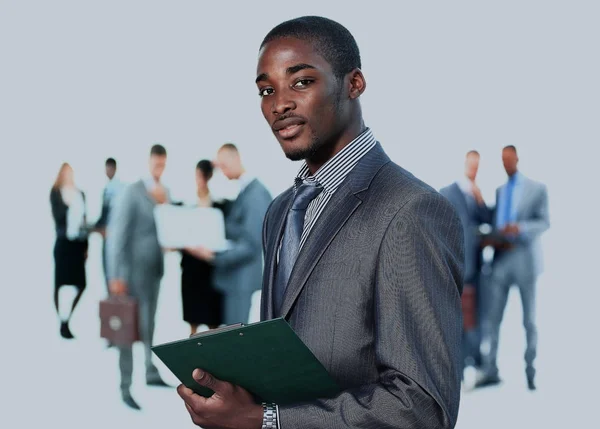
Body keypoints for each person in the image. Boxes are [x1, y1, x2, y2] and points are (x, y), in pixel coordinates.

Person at [177, 16, 464, 429]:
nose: (279, 104)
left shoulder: (410, 210)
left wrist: (266, 420)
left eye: (301, 82)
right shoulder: (280, 211)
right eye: (266, 90)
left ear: (354, 83)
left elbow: (421, 408)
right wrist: (235, 362)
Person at [476, 145, 549, 391]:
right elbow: (497, 221)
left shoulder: (536, 189)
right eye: (502, 161)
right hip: (501, 261)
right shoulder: (499, 191)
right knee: (492, 319)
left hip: (525, 261)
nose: (507, 164)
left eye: (510, 159)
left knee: (528, 320)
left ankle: (531, 371)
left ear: (517, 158)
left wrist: (522, 229)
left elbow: (544, 221)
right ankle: (490, 369)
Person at [107, 144, 171, 410]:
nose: (159, 168)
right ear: (149, 162)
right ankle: (125, 387)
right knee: (126, 330)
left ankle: (150, 370)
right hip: (130, 274)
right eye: (156, 163)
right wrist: (116, 275)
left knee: (149, 323)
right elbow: (117, 234)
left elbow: (167, 227)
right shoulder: (132, 191)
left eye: (163, 164)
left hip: (154, 270)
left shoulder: (165, 192)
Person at [185, 144, 272, 325]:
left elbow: (251, 245)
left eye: (223, 166)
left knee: (237, 340)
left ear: (236, 159)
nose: (222, 172)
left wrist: (214, 256)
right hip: (234, 280)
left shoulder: (255, 195)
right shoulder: (243, 192)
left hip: (241, 281)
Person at [440, 150, 490, 378]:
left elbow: (488, 222)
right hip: (456, 267)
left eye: (477, 165)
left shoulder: (476, 195)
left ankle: (472, 363)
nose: (474, 169)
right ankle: (456, 370)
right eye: (471, 164)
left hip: (476, 268)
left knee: (474, 317)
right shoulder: (449, 192)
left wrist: (480, 201)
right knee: (457, 318)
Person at [180, 160, 227, 335]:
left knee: (212, 320)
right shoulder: (186, 201)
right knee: (193, 319)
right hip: (191, 267)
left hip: (210, 267)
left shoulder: (219, 201)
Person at [50, 163, 89, 340]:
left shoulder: (80, 194)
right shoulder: (56, 193)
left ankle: (67, 319)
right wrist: (68, 205)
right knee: (59, 284)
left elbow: (84, 221)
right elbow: (58, 217)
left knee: (81, 284)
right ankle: (61, 321)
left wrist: (86, 246)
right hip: (63, 243)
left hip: (77, 245)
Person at [94, 157, 124, 291]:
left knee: (112, 270)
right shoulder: (108, 187)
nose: (108, 171)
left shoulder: (117, 188)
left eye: (110, 168)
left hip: (113, 234)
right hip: (108, 234)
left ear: (115, 169)